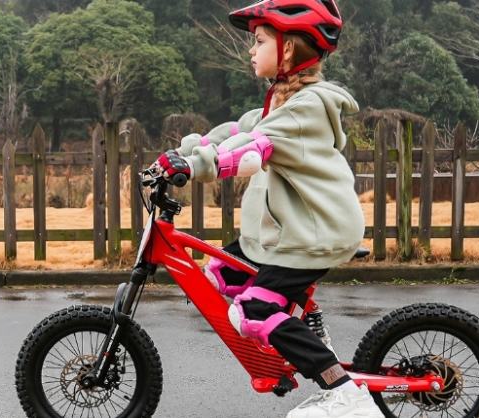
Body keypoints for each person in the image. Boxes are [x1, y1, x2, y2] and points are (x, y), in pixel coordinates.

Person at [152, 1, 383, 417]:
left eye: (259, 41)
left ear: (288, 49)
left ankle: (345, 395)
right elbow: (237, 131)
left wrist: (199, 166)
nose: (251, 49)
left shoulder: (305, 109)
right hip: (282, 231)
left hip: (311, 234)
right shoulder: (280, 101)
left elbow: (251, 148)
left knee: (255, 312)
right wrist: (188, 151)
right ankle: (305, 342)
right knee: (221, 274)